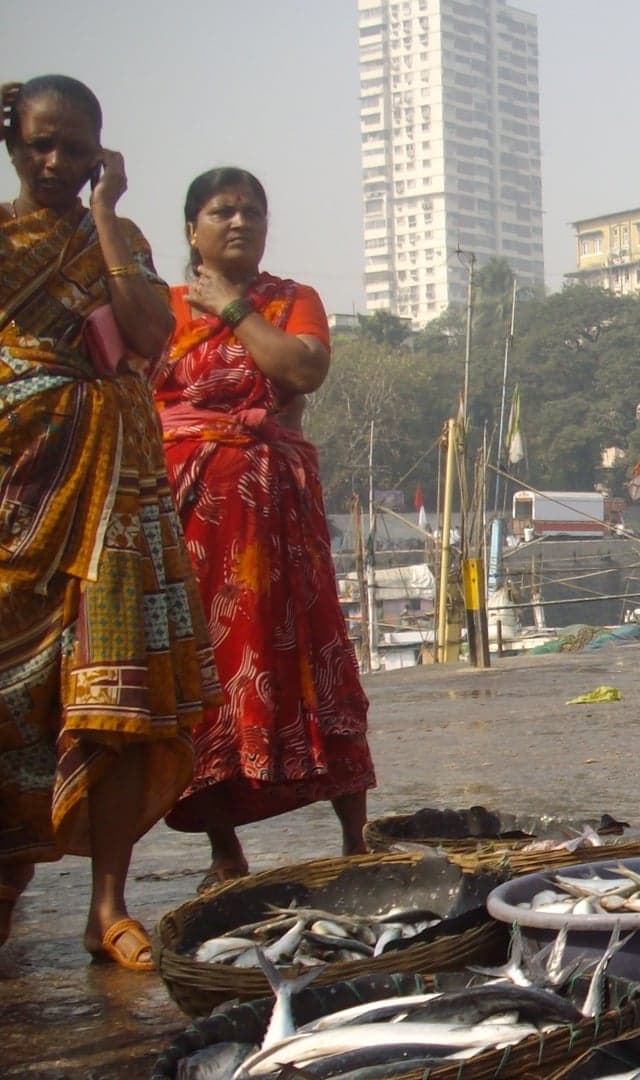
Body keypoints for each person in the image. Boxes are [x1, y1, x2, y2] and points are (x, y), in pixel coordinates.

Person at [0, 76, 219, 970]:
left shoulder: (118, 238)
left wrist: (104, 217)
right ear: (13, 144)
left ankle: (108, 906)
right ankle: (10, 886)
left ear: (101, 152)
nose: (55, 162)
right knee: (15, 702)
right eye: (39, 145)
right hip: (21, 483)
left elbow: (147, 333)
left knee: (119, 696)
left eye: (75, 147)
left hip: (118, 490)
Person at [151, 168, 377, 892]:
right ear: (193, 229)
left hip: (279, 516)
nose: (240, 221)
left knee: (318, 653)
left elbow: (301, 369)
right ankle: (224, 848)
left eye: (253, 210)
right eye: (223, 211)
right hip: (194, 520)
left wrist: (237, 308)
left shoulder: (290, 300)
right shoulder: (159, 310)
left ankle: (357, 833)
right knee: (206, 673)